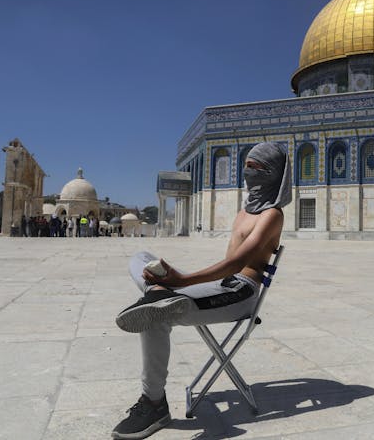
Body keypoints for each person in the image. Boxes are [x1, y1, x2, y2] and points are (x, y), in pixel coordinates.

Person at [111, 142, 291, 440]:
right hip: (221, 286)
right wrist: (170, 279)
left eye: (254, 167)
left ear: (272, 173)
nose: (247, 172)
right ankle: (157, 292)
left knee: (155, 316)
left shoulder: (272, 214)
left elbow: (237, 262)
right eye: (246, 165)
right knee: (138, 257)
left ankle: (153, 403)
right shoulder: (245, 211)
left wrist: (182, 281)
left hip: (240, 294)